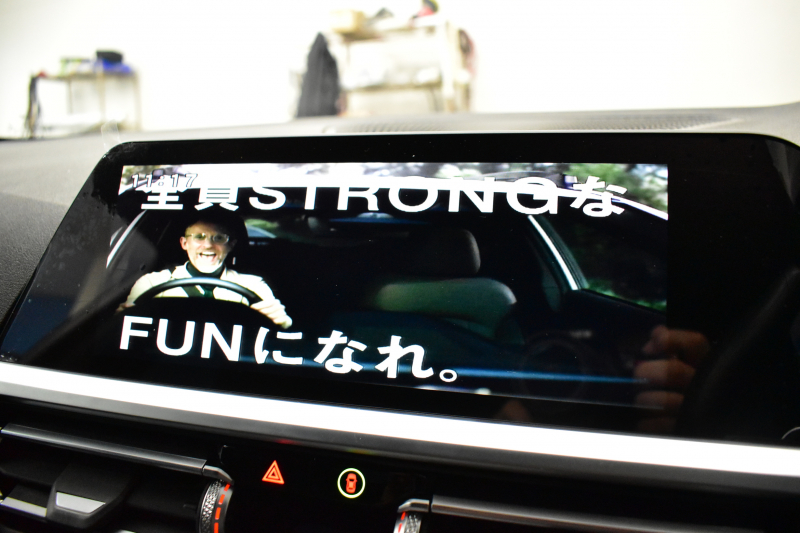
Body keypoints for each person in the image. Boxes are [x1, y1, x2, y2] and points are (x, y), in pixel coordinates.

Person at [120, 210, 292, 329]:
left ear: (231, 245)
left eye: (219, 238)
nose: (208, 245)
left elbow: (275, 325)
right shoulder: (151, 282)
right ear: (184, 243)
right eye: (199, 237)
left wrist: (281, 322)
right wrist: (122, 318)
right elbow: (130, 323)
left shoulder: (254, 284)